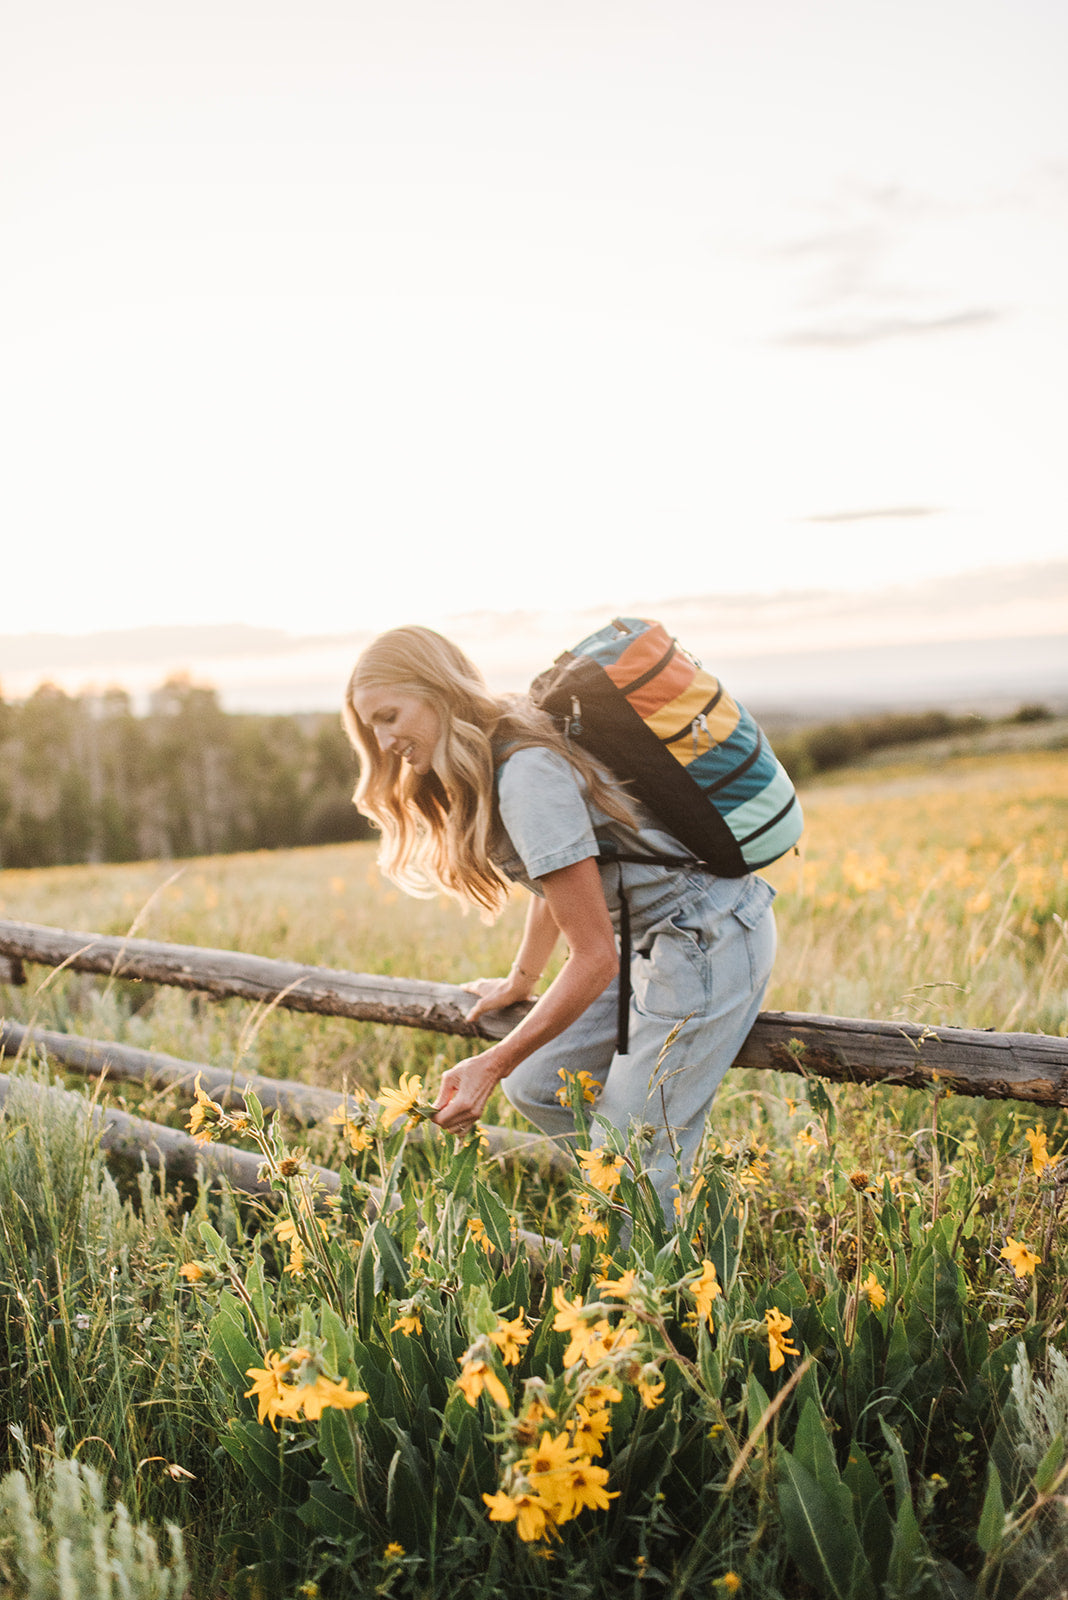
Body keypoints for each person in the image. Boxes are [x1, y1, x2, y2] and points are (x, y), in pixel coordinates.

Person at [343, 625, 776, 1222]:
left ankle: (661, 1253)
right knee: (542, 1085)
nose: (386, 740)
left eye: (390, 716)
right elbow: (559, 884)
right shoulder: (500, 750)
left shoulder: (524, 775)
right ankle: (657, 1194)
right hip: (652, 939)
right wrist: (522, 980)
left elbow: (594, 957)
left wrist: (490, 1064)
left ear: (438, 690)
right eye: (373, 728)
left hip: (708, 933)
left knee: (628, 1151)